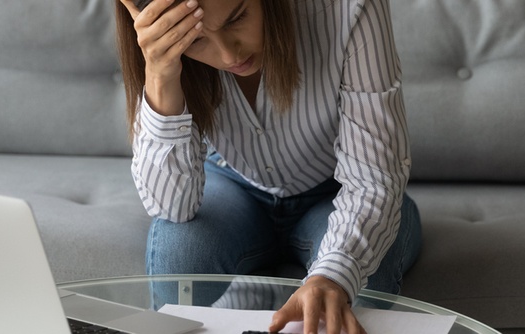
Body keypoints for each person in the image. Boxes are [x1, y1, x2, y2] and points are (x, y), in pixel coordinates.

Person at [114, 0, 421, 333]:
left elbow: (373, 180)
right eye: (196, 41)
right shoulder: (165, 50)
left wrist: (331, 276)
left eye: (237, 17)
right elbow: (169, 207)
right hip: (233, 184)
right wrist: (160, 72)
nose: (230, 55)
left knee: (362, 278)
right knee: (179, 251)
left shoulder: (348, 8)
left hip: (335, 192)